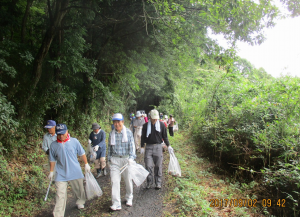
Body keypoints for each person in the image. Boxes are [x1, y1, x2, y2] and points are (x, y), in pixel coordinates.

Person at [48, 123, 91, 217]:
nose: (61, 136)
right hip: (60, 172)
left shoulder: (74, 141)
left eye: (63, 133)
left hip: (74, 170)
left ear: (67, 132)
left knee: (79, 188)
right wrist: (51, 172)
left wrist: (86, 164)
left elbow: (82, 153)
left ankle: (80, 201)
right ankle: (58, 214)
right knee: (60, 194)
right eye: (59, 134)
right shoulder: (53, 145)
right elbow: (52, 159)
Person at [107, 113, 136, 210]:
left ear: (122, 122)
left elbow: (132, 147)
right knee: (114, 181)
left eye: (118, 122)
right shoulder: (111, 134)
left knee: (128, 179)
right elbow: (109, 148)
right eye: (115, 122)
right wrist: (109, 160)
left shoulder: (128, 133)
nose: (117, 124)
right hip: (115, 160)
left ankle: (129, 197)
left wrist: (131, 158)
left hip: (126, 159)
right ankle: (116, 203)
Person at [140, 109, 173, 189]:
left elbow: (165, 136)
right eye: (153, 118)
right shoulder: (145, 126)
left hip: (158, 147)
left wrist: (168, 146)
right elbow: (143, 137)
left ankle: (158, 182)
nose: (154, 120)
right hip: (148, 147)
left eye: (156, 118)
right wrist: (142, 146)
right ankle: (149, 182)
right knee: (148, 165)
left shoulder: (162, 125)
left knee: (158, 165)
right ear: (150, 117)